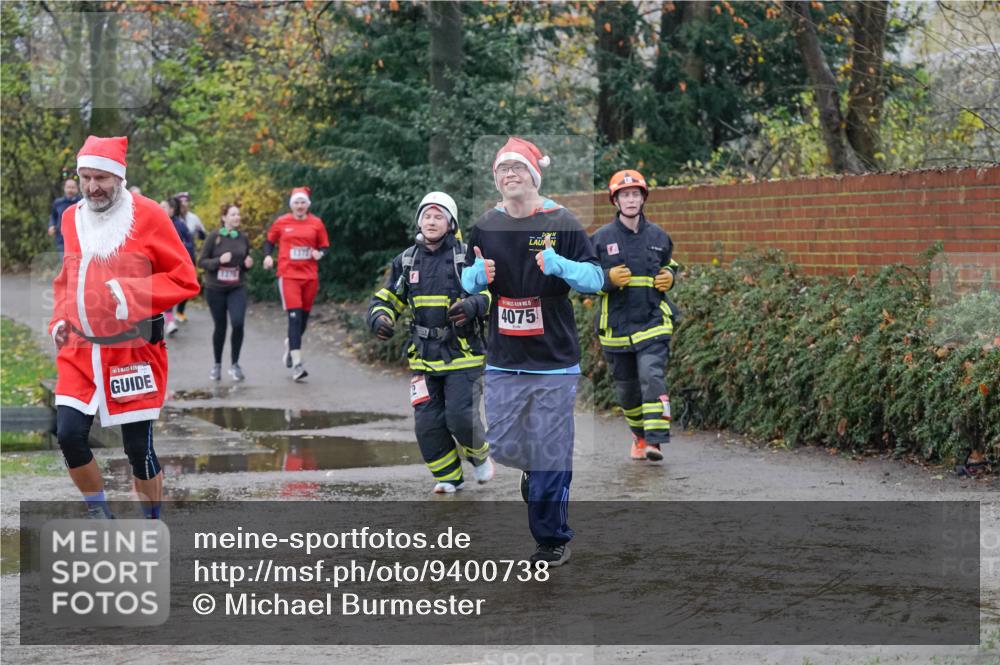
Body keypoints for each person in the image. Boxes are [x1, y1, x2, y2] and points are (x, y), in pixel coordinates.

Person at [461, 137, 603, 566]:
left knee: (551, 452)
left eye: (517, 169)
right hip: (504, 358)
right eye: (502, 170)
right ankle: (532, 471)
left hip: (554, 361)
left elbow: (596, 279)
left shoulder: (562, 221)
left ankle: (552, 538)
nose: (509, 176)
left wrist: (562, 266)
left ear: (533, 175)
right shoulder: (486, 225)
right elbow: (468, 280)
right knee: (502, 446)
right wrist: (473, 278)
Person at [48, 135, 200, 519]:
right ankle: (100, 514)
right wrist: (59, 320)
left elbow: (185, 279)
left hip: (132, 352)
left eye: (101, 178)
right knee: (68, 434)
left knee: (138, 450)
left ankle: (152, 520)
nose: (92, 187)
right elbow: (68, 277)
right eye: (85, 178)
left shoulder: (148, 215)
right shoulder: (71, 217)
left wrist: (131, 293)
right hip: (80, 350)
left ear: (119, 177)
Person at [368, 192, 495, 494]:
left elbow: (491, 295)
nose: (432, 221)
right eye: (427, 216)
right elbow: (387, 298)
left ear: (450, 223)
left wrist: (472, 306)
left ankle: (479, 457)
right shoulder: (406, 259)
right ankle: (450, 477)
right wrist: (379, 319)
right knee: (426, 426)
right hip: (423, 358)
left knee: (460, 418)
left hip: (462, 355)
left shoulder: (466, 257)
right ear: (419, 221)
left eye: (439, 216)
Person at [591, 170, 679, 462]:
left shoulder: (658, 236)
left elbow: (671, 263)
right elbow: (583, 278)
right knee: (627, 393)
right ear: (615, 201)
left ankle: (656, 442)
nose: (631, 199)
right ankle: (640, 436)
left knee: (651, 378)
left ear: (643, 199)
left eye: (635, 194)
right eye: (624, 195)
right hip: (615, 328)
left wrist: (670, 275)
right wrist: (606, 279)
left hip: (653, 322)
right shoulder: (600, 239)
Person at [263, 186, 330, 382]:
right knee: (294, 317)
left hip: (310, 277)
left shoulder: (316, 223)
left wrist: (320, 254)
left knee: (303, 320)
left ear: (307, 205)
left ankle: (290, 345)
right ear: (291, 205)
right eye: (296, 203)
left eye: (303, 202)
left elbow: (325, 246)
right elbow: (269, 241)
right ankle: (297, 365)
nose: (300, 206)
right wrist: (267, 256)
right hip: (288, 275)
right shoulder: (282, 222)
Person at [199, 203, 252, 382]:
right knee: (220, 327)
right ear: (224, 218)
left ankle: (235, 364)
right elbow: (202, 261)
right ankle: (217, 365)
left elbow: (245, 261)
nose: (237, 217)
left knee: (238, 323)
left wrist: (247, 264)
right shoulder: (214, 236)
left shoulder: (243, 237)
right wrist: (218, 261)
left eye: (238, 214)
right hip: (216, 289)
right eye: (233, 214)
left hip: (237, 287)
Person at [161, 197, 193, 337]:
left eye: (163, 207)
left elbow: (189, 245)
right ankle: (168, 321)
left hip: (173, 266)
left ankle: (170, 321)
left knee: (168, 295)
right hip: (158, 265)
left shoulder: (179, 225)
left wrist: (189, 262)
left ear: (172, 210)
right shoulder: (157, 223)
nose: (160, 210)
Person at [174, 192, 206, 323]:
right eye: (181, 204)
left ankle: (180, 311)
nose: (184, 206)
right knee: (173, 284)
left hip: (189, 256)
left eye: (186, 203)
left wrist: (200, 232)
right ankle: (169, 314)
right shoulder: (172, 219)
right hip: (174, 257)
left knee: (189, 283)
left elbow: (203, 237)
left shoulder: (194, 218)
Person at [48, 177, 82, 260]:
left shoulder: (82, 202)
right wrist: (51, 225)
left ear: (77, 189)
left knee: (78, 264)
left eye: (73, 187)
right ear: (64, 189)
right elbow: (53, 216)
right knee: (65, 263)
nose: (70, 190)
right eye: (68, 187)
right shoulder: (58, 202)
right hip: (61, 239)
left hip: (79, 239)